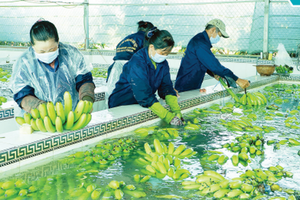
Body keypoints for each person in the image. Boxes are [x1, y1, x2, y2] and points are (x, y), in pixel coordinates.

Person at [10, 20, 95, 117]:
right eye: (41, 51)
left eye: (52, 49)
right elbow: (21, 93)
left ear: (58, 41)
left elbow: (84, 79)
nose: (47, 54)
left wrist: (87, 97)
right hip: (38, 119)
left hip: (72, 116)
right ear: (32, 45)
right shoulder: (24, 63)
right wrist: (40, 107)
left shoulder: (71, 54)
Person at [108, 27, 184, 126]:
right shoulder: (137, 62)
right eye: (163, 52)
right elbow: (144, 95)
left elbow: (166, 88)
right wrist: (168, 117)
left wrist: (176, 110)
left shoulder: (163, 64)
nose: (164, 56)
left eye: (167, 54)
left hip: (139, 105)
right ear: (152, 47)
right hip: (121, 105)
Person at [175, 19, 250, 93]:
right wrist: (237, 79)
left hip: (191, 84)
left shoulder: (201, 40)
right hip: (185, 86)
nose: (219, 38)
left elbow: (203, 62)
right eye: (219, 35)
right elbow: (214, 65)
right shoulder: (200, 43)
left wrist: (214, 73)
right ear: (213, 30)